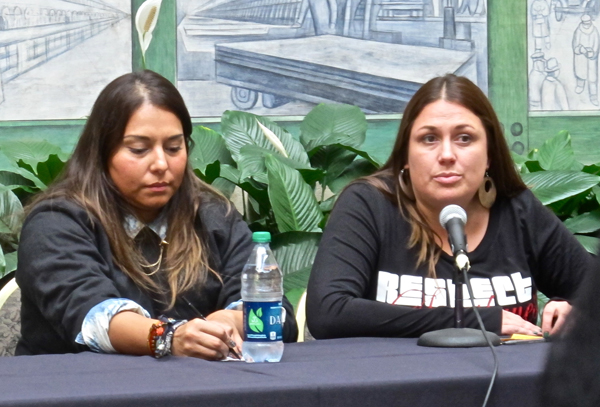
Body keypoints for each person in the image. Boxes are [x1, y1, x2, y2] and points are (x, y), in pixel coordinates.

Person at [15, 70, 297, 358]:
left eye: (174, 147)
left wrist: (227, 322)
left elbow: (277, 315)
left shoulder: (213, 215)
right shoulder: (55, 222)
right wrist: (169, 338)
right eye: (139, 149)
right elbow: (93, 319)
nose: (161, 163)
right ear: (100, 153)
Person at [306, 74, 593, 339]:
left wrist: (572, 311)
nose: (446, 155)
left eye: (464, 138)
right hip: (394, 386)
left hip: (512, 387)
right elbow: (329, 312)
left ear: (490, 154)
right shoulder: (370, 205)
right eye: (429, 138)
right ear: (406, 154)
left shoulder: (518, 211)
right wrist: (468, 320)